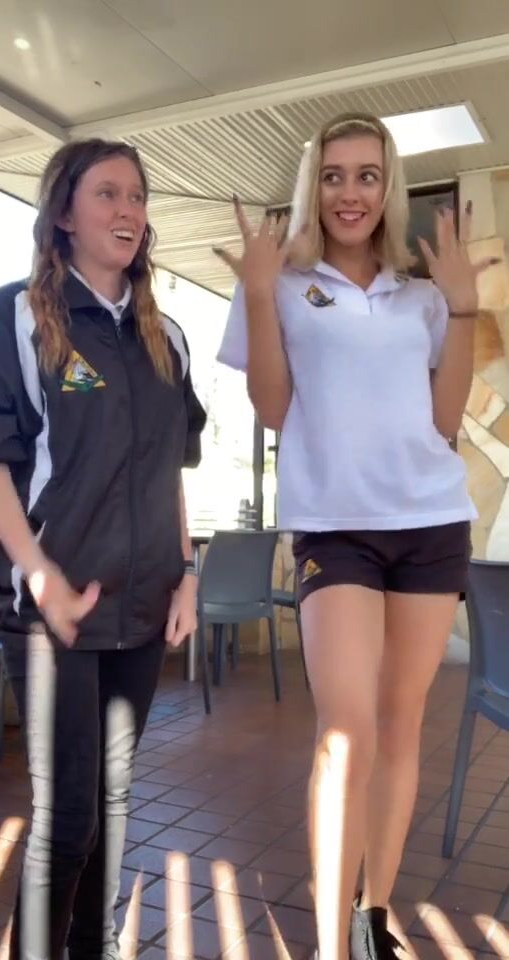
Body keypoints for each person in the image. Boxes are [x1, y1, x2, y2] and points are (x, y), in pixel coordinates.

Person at [215, 112, 494, 960]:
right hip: (335, 530)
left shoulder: (421, 298)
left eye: (367, 175)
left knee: (401, 726)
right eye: (333, 175)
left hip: (429, 523)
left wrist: (464, 306)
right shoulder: (282, 285)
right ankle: (331, 945)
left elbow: (444, 420)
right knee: (346, 733)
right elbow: (272, 409)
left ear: (387, 187)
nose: (349, 192)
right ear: (314, 187)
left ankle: (374, 916)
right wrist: (258, 293)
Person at [0, 138, 206, 960]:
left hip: (142, 607)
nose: (128, 210)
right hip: (50, 607)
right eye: (108, 193)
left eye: (137, 195)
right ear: (64, 213)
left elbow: (170, 468)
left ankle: (90, 946)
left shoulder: (166, 336)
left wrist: (187, 572)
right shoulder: (12, 317)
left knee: (110, 802)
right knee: (69, 813)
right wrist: (38, 575)